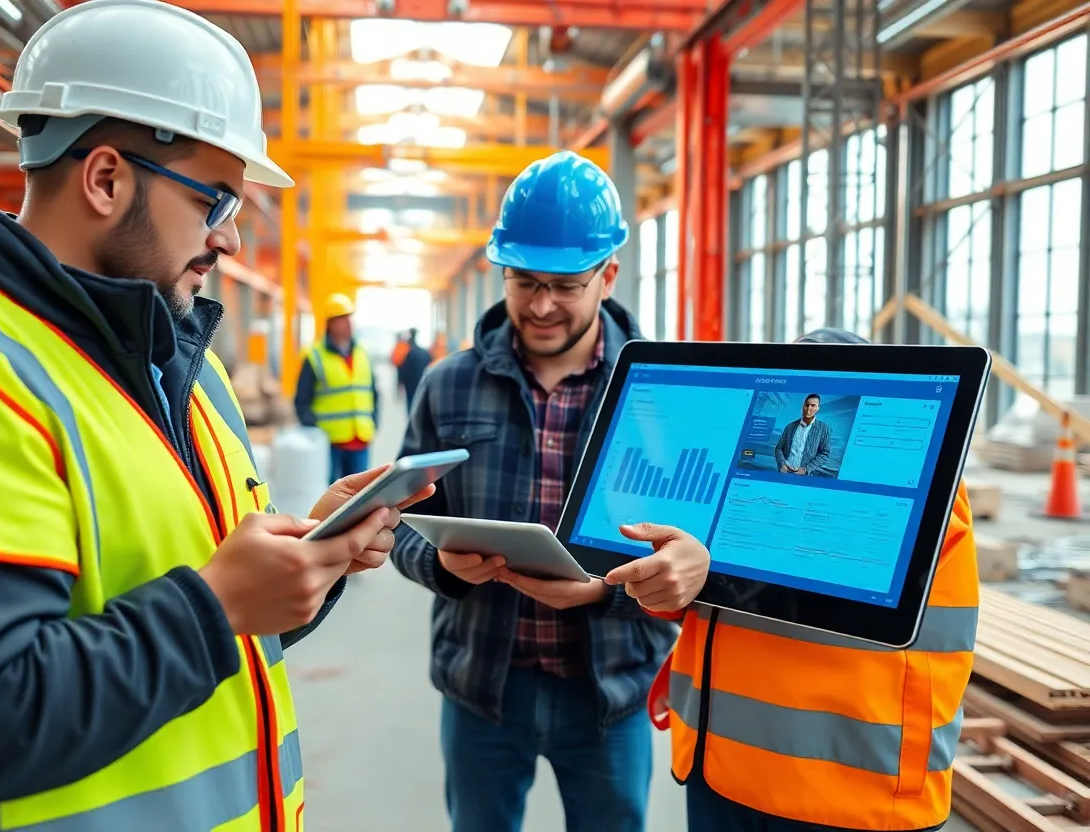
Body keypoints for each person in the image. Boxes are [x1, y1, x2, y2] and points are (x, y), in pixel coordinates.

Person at [0, 2, 430, 828]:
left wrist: (311, 560)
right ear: (105, 179)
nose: (233, 242)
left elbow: (214, 633)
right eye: (216, 203)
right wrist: (218, 605)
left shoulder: (187, 371)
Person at [390, 150, 710, 832]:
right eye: (523, 281)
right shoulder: (449, 385)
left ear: (608, 275)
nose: (540, 306)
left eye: (565, 285)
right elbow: (398, 526)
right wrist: (442, 567)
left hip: (609, 689)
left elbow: (686, 556)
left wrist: (608, 589)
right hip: (483, 683)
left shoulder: (663, 395)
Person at [646, 327, 979, 832]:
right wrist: (668, 580)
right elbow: (702, 604)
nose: (806, 408)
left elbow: (828, 569)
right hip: (720, 764)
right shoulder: (746, 487)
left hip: (847, 788)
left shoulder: (918, 493)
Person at [294, 292, 379, 483]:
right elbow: (301, 401)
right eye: (342, 319)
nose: (349, 323)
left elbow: (373, 392)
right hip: (330, 444)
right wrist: (315, 432)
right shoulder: (314, 356)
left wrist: (374, 422)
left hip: (360, 440)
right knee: (332, 496)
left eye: (350, 317)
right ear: (330, 324)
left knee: (360, 495)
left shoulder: (363, 352)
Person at [774, 392, 832, 475]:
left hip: (803, 475)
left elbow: (824, 453)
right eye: (807, 405)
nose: (809, 409)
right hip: (784, 472)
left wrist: (806, 469)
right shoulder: (790, 427)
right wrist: (782, 465)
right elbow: (779, 448)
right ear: (803, 406)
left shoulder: (824, 429)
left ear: (818, 408)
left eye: (813, 405)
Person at [396, 326, 433, 413]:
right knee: (418, 402)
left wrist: (400, 382)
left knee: (410, 402)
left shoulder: (407, 352)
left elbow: (402, 369)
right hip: (420, 381)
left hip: (410, 383)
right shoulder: (423, 352)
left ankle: (411, 420)